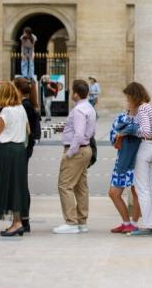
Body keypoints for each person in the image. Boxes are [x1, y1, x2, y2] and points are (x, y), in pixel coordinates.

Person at [53, 80, 96, 234]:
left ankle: (70, 222)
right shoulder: (89, 107)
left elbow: (78, 134)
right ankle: (82, 221)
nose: (71, 93)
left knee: (65, 185)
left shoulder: (78, 110)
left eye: (72, 91)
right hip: (86, 149)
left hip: (76, 150)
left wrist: (69, 153)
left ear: (76, 93)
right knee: (81, 186)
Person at [126, 82, 152, 237]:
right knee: (148, 189)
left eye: (128, 97)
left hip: (144, 147)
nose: (127, 100)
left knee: (142, 189)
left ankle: (147, 226)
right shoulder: (148, 106)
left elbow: (147, 132)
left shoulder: (141, 109)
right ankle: (150, 224)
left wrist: (133, 130)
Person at [0, 81, 29, 237]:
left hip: (8, 150)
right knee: (18, 186)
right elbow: (28, 129)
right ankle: (18, 220)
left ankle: (16, 223)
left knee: (9, 186)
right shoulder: (21, 109)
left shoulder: (6, 111)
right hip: (20, 149)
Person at [108, 110, 142, 234]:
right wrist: (124, 133)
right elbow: (113, 137)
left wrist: (130, 131)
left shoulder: (143, 115)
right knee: (113, 193)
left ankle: (133, 224)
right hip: (122, 160)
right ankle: (126, 223)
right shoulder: (121, 116)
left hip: (139, 161)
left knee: (136, 192)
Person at [14, 77, 41, 233]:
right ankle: (24, 219)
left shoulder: (25, 106)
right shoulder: (29, 105)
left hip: (23, 147)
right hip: (26, 147)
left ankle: (24, 220)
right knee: (21, 183)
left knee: (21, 184)